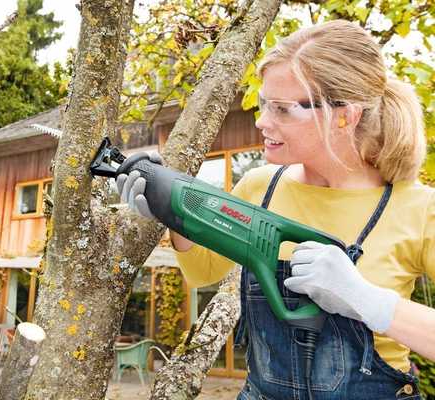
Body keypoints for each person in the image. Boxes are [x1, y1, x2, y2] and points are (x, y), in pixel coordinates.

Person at [117, 20, 434, 400]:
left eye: (283, 109)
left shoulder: (417, 207)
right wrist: (171, 212)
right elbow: (202, 272)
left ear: (344, 115)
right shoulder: (260, 186)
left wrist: (368, 301)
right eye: (266, 104)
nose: (262, 121)